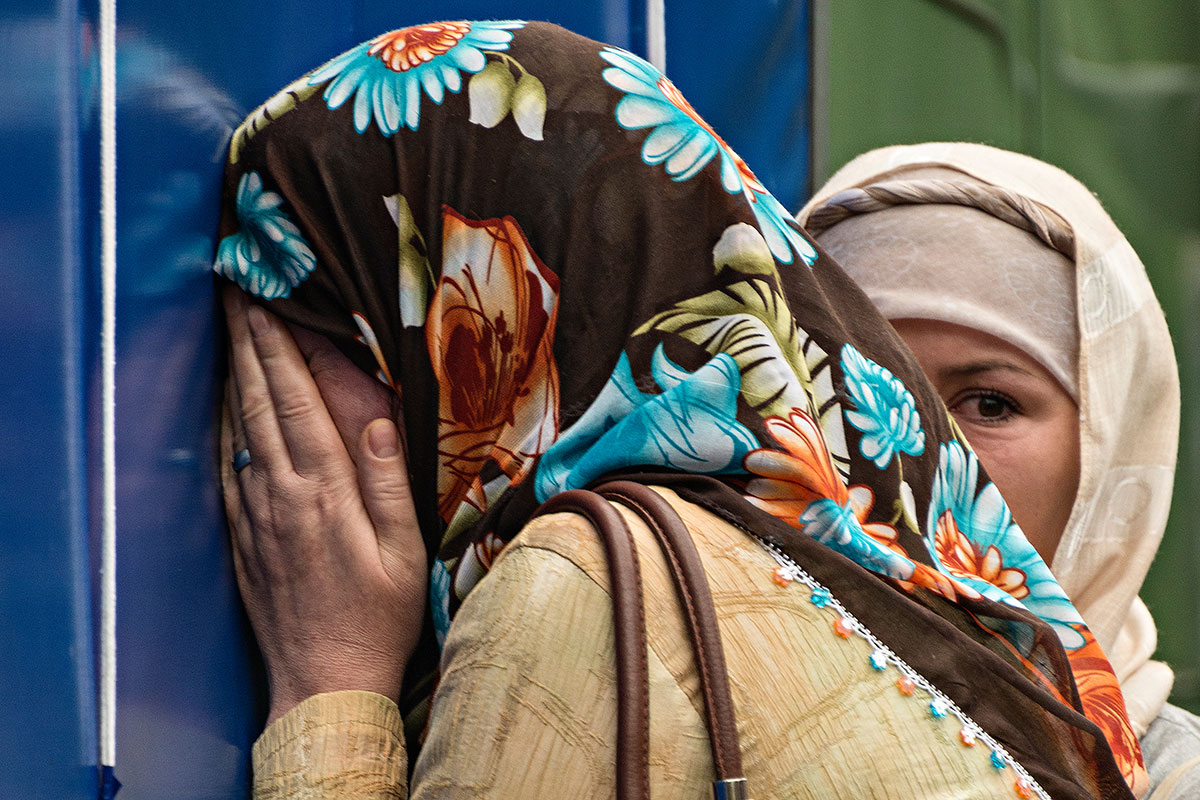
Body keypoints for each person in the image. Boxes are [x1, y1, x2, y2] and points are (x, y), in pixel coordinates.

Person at [217, 22, 1145, 798]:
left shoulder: (585, 585)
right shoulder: (1026, 693)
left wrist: (330, 692)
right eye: (868, 358)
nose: (899, 428)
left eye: (331, 337)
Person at [797, 141, 1200, 798]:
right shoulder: (662, 719)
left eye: (989, 404)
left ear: (1103, 460)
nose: (908, 449)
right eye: (848, 391)